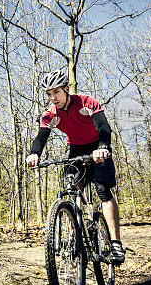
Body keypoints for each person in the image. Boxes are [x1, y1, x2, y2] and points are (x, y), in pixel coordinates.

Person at [26, 68, 125, 264]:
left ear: (67, 88)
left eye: (56, 92)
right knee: (71, 188)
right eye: (49, 94)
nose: (53, 97)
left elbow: (103, 126)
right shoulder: (50, 115)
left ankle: (115, 244)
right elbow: (41, 137)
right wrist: (34, 153)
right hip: (75, 149)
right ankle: (76, 230)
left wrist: (103, 147)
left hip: (97, 146)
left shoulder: (86, 102)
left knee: (103, 190)